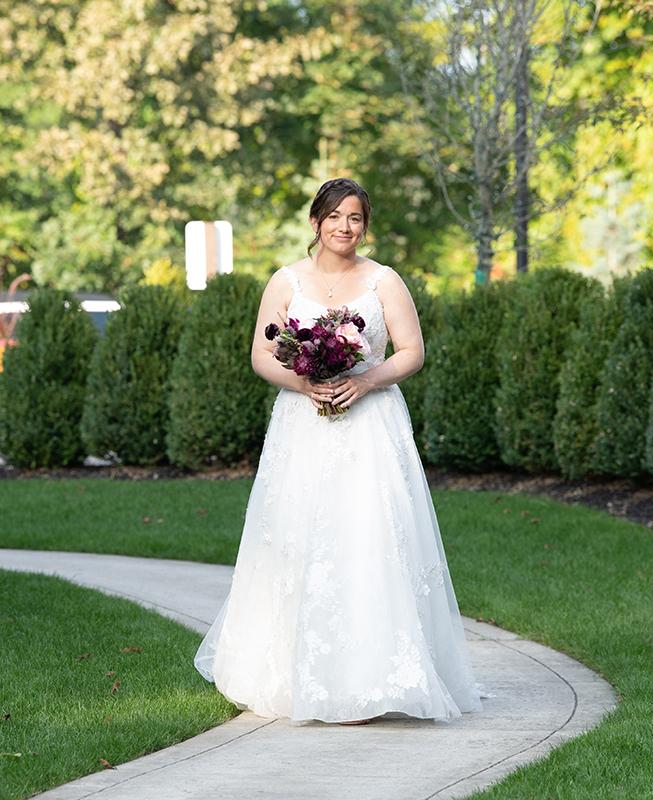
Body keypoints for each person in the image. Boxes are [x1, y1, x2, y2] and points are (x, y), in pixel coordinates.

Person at [193, 177, 483, 725]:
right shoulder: (285, 280)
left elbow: (412, 351)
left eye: (355, 218)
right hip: (302, 424)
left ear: (364, 226)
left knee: (369, 534)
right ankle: (287, 670)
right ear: (315, 223)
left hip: (370, 425)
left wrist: (368, 381)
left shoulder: (383, 281)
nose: (344, 227)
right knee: (297, 534)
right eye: (334, 217)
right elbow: (261, 353)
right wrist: (303, 384)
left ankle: (375, 676)